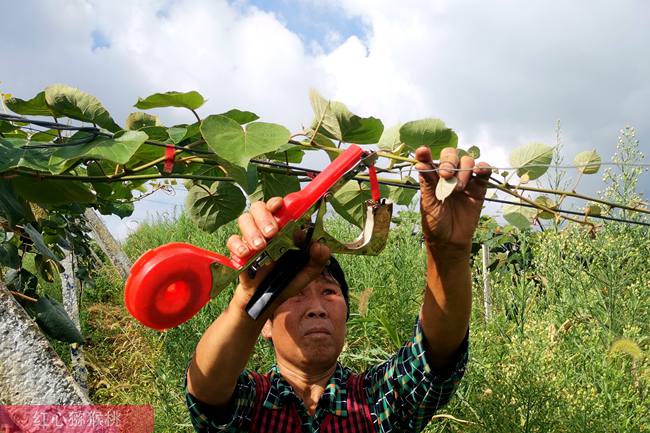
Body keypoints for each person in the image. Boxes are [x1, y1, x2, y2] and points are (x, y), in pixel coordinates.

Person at [185, 146, 492, 433]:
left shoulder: (377, 401)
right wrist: (247, 304)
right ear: (266, 323)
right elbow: (206, 387)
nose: (317, 306)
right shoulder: (250, 402)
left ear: (346, 313)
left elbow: (434, 353)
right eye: (296, 295)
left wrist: (448, 253)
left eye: (330, 293)